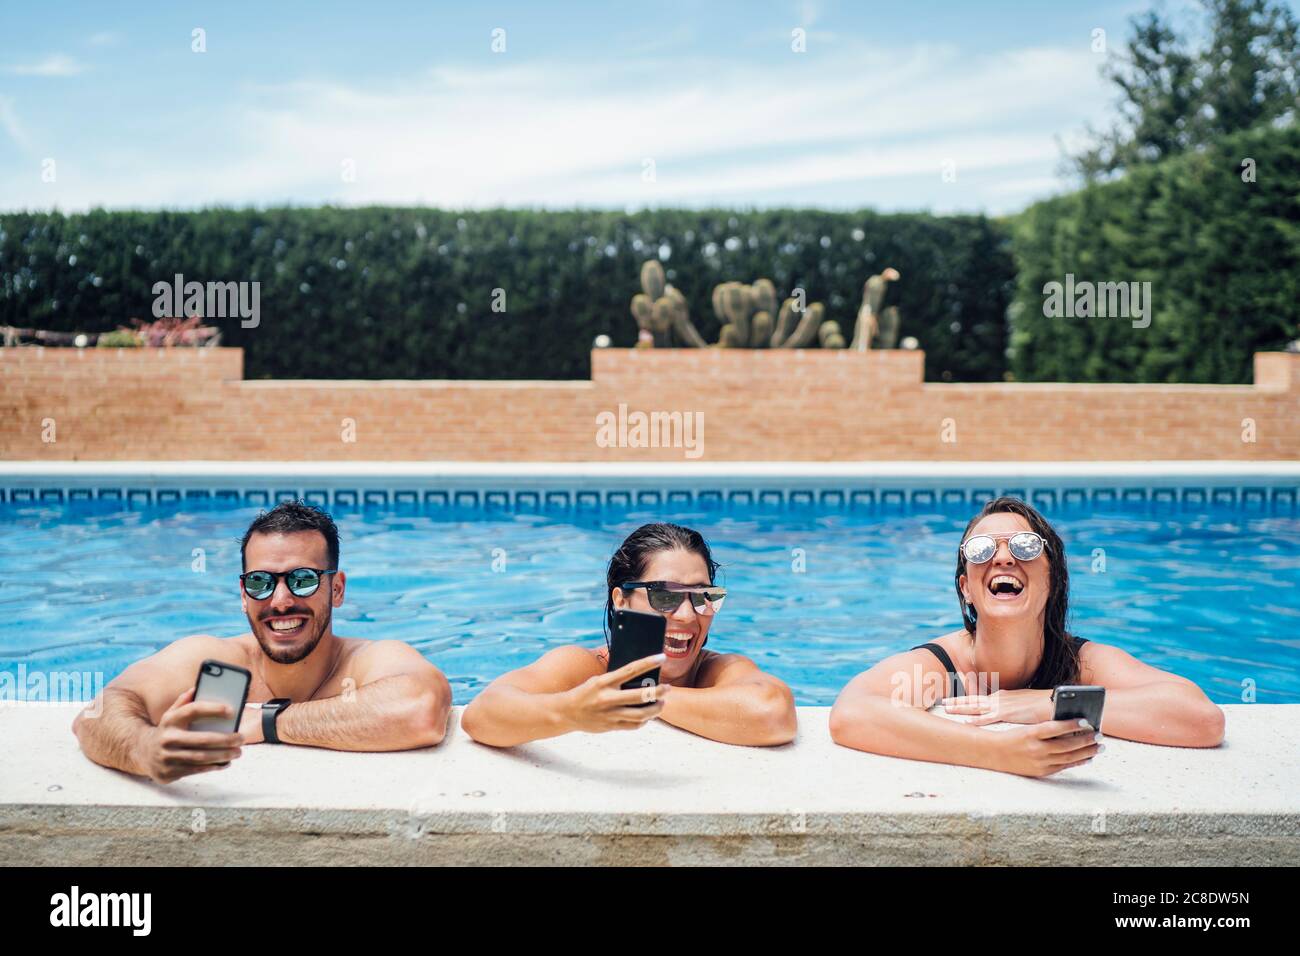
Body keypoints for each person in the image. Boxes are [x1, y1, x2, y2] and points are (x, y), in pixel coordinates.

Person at [829, 496, 1225, 777]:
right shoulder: (946, 668)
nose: (1003, 558)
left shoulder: (1080, 663)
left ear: (1052, 579)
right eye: (982, 549)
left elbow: (1201, 719)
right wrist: (999, 752)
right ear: (966, 588)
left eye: (1025, 546)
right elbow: (853, 713)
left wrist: (1046, 703)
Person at [72, 501, 451, 784]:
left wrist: (266, 722)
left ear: (336, 589)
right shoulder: (216, 663)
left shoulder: (365, 662)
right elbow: (98, 712)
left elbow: (421, 710)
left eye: (302, 579)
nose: (280, 601)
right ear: (242, 594)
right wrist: (145, 749)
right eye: (261, 582)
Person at [462, 522, 796, 747]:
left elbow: (773, 714)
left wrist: (640, 696)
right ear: (621, 600)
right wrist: (571, 710)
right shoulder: (588, 669)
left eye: (702, 596)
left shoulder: (717, 672)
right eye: (664, 596)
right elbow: (483, 714)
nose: (687, 614)